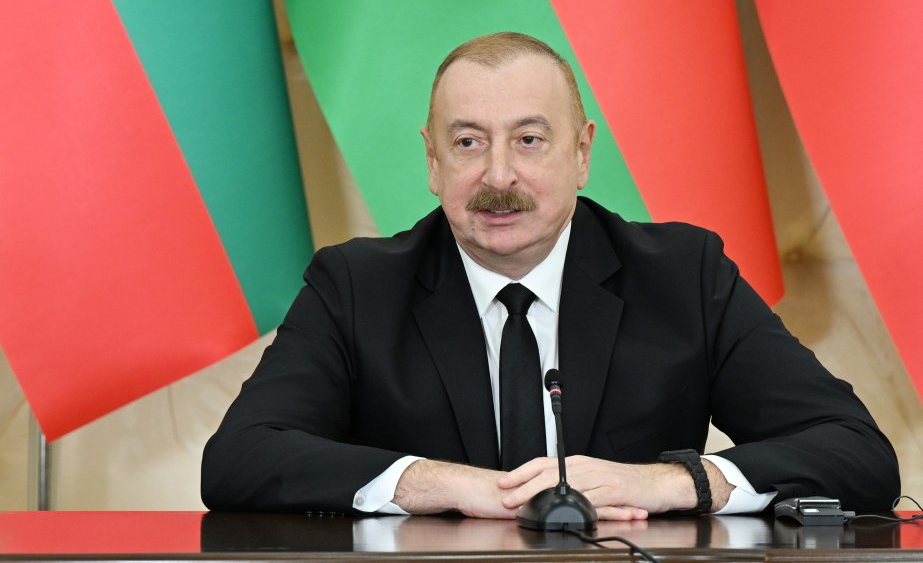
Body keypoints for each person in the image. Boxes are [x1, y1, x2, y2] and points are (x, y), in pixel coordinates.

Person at [202, 32, 899, 519]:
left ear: (582, 152)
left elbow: (856, 454)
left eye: (529, 140)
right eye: (468, 142)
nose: (498, 175)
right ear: (433, 162)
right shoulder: (355, 287)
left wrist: (670, 482)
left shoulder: (682, 275)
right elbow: (239, 458)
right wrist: (436, 483)